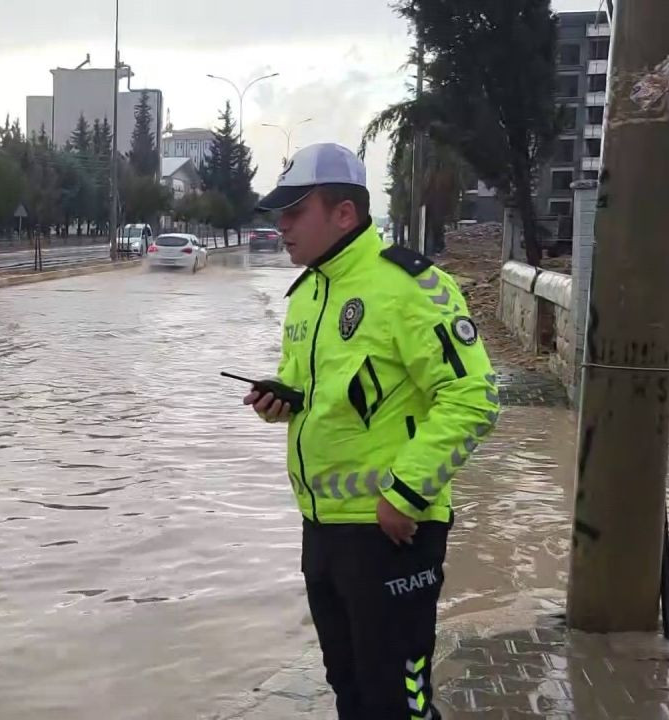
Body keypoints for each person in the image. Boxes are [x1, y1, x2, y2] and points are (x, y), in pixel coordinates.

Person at [242, 143, 499, 719]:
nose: (281, 226)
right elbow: (314, 388)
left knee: (399, 700)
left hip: (391, 532)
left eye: (294, 211)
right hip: (323, 527)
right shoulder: (307, 293)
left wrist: (405, 495)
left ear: (344, 214)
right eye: (279, 213)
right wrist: (279, 399)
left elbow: (474, 396)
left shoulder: (410, 286)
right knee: (351, 687)